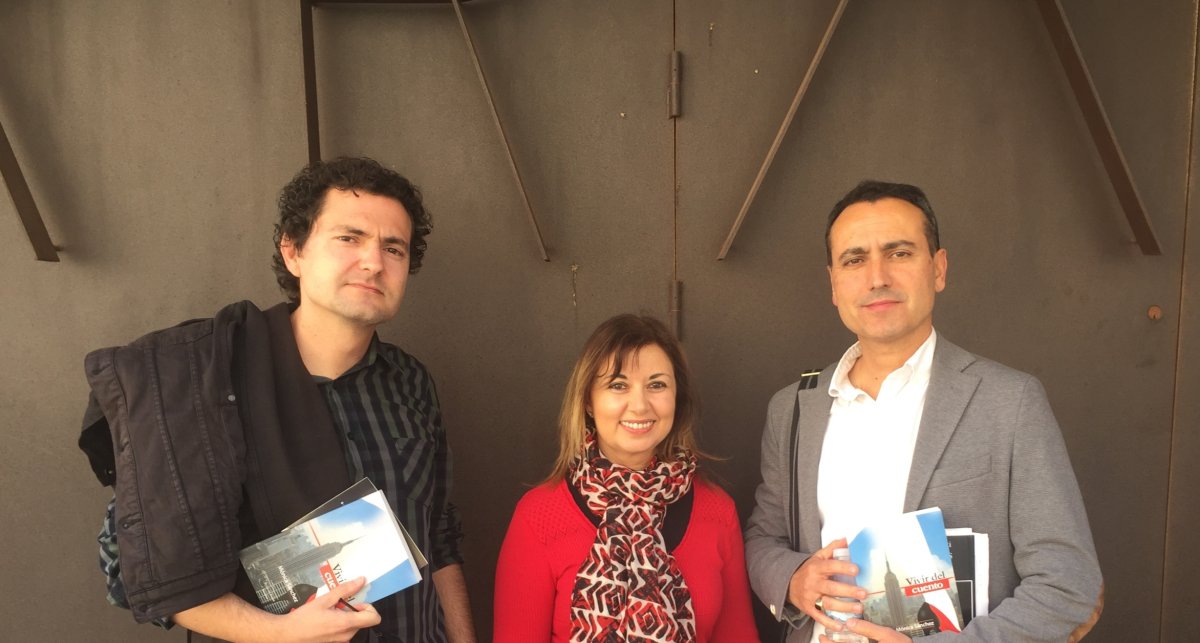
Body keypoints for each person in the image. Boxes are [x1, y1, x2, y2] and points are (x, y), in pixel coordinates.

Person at [79, 157, 476, 643]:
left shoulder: (410, 381)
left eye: (393, 248)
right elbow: (137, 564)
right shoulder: (205, 377)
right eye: (349, 238)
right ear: (294, 252)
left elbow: (437, 533)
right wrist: (278, 633)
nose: (374, 261)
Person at [744, 181, 1103, 642]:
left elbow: (1068, 582)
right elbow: (762, 539)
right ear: (833, 283)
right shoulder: (792, 409)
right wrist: (793, 579)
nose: (877, 277)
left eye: (899, 253)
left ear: (938, 268)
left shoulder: (1010, 403)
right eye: (855, 260)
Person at [493, 314, 760, 642]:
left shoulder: (716, 511)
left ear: (677, 397)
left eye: (657, 384)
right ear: (588, 401)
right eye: (618, 385)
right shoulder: (539, 516)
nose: (640, 404)